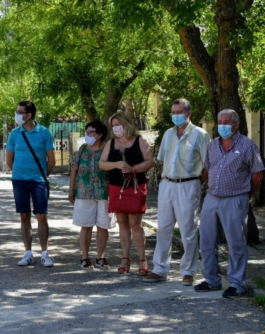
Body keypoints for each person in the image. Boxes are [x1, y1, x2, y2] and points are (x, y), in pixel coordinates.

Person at [195, 109, 264, 298]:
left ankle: (237, 283)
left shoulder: (248, 145)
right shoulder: (213, 145)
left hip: (235, 198)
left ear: (236, 124)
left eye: (227, 122)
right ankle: (212, 280)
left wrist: (246, 195)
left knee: (235, 243)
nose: (223, 125)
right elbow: (207, 169)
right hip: (212, 197)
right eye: (220, 122)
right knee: (207, 240)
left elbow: (258, 174)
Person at [143, 99, 210, 285]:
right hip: (167, 184)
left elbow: (208, 165)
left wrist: (196, 183)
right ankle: (160, 269)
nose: (175, 115)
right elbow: (164, 160)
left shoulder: (200, 134)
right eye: (173, 112)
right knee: (163, 228)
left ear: (189, 113)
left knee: (188, 230)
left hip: (188, 185)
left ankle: (188, 271)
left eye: (178, 112)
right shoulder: (168, 134)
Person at [99, 111, 154, 275]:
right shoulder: (111, 143)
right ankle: (125, 259)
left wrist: (133, 168)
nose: (115, 128)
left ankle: (143, 259)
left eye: (118, 124)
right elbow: (102, 164)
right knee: (122, 224)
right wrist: (116, 164)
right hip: (117, 187)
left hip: (135, 187)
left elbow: (150, 161)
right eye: (113, 126)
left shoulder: (140, 140)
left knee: (135, 225)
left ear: (127, 124)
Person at [6, 100, 56, 267]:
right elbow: (9, 159)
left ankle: (45, 253)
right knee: (24, 215)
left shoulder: (44, 133)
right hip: (19, 181)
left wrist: (41, 175)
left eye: (20, 112)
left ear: (29, 115)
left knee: (42, 216)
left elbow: (52, 160)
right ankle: (28, 253)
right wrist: (20, 172)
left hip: (39, 181)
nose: (17, 114)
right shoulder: (14, 133)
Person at [68, 120, 115, 270]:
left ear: (100, 134)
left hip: (104, 192)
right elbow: (74, 170)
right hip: (83, 192)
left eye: (91, 132)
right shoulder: (82, 149)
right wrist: (71, 190)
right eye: (86, 132)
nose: (87, 135)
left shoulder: (108, 148)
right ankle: (84, 257)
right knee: (86, 226)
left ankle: (100, 258)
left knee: (103, 226)